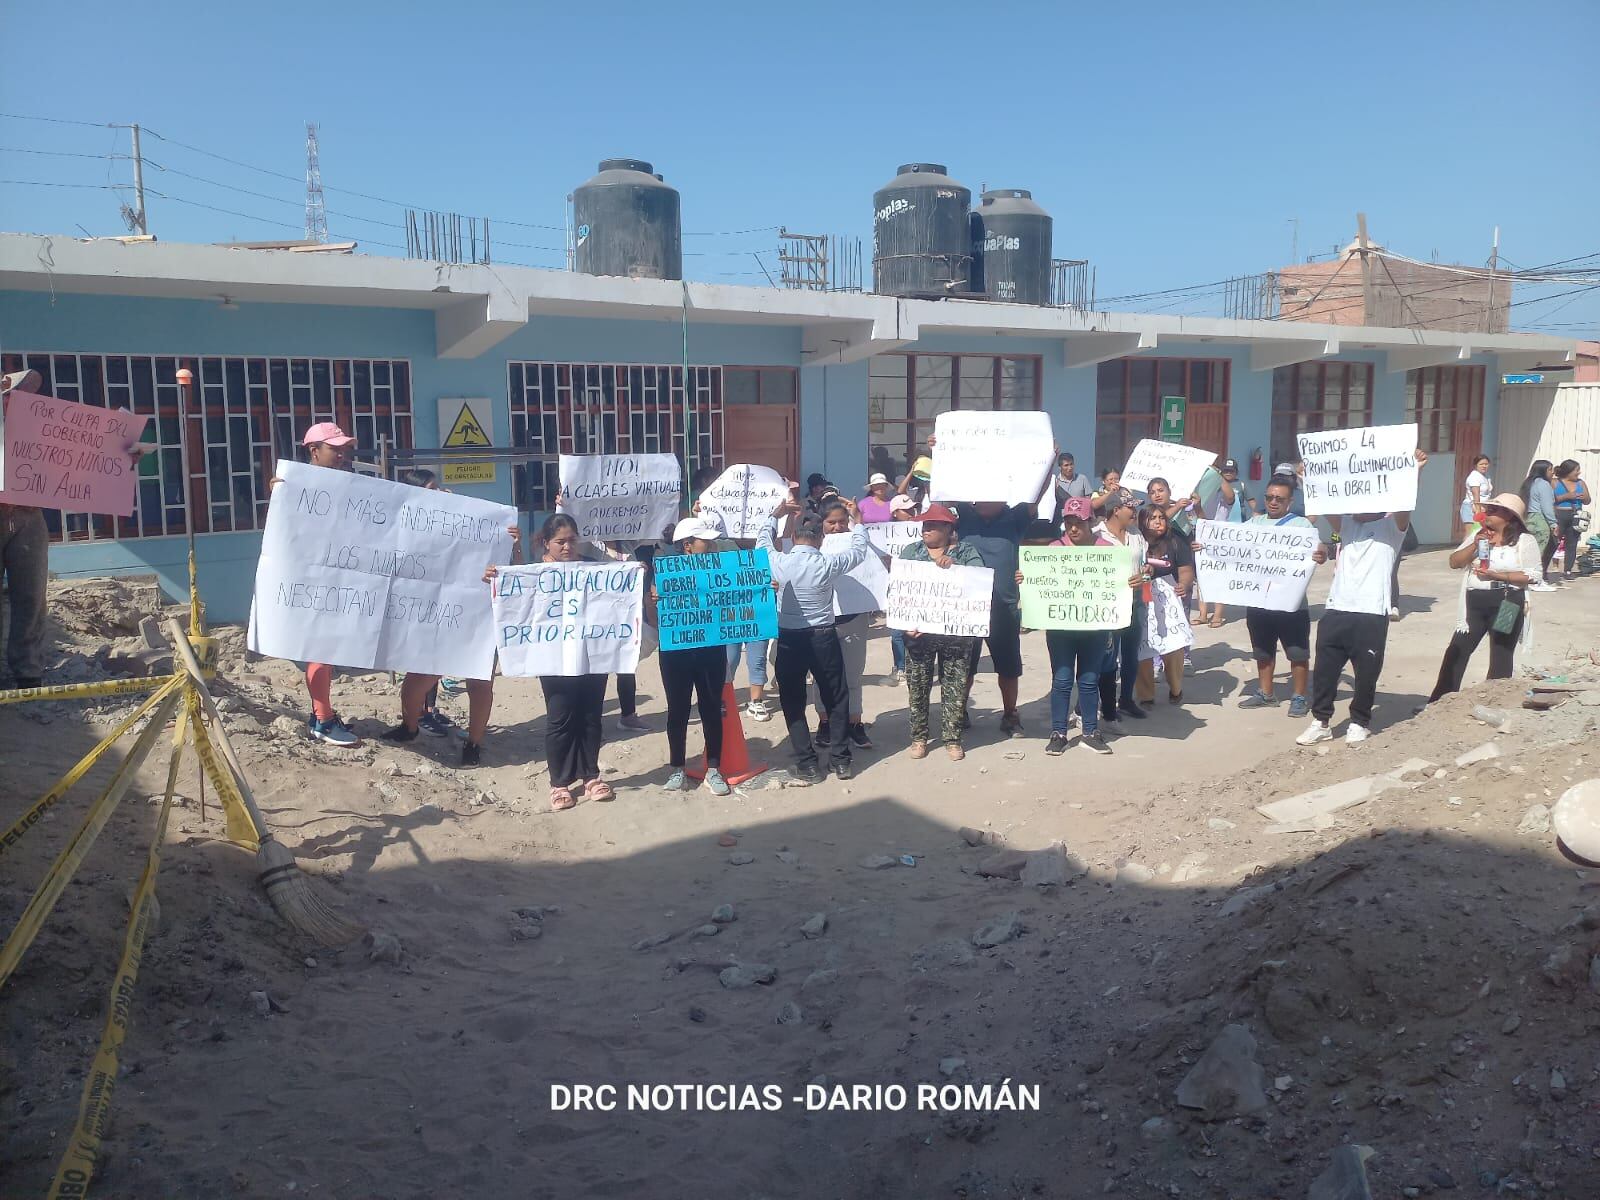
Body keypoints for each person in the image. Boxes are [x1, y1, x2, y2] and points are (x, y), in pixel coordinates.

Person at [382, 471, 521, 761]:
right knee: (417, 680)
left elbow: (511, 568)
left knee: (479, 682)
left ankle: (474, 743)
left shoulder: (471, 520)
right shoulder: (406, 526)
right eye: (433, 489)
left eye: (441, 487)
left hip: (478, 614)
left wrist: (512, 545)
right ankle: (409, 727)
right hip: (434, 615)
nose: (443, 492)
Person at [1296, 449, 1428, 746]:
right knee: (1327, 669)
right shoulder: (1347, 527)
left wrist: (1414, 471)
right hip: (1337, 608)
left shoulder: (1392, 528)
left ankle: (1359, 721)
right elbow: (1324, 501)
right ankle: (1321, 721)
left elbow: (1405, 502)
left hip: (1371, 612)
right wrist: (1309, 478)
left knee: (1366, 672)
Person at [758, 496, 869, 783]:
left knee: (793, 700)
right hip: (823, 638)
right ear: (821, 539)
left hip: (789, 640)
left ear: (794, 538)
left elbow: (762, 542)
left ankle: (808, 764)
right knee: (836, 696)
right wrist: (856, 519)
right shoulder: (828, 563)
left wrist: (775, 515)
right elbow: (858, 550)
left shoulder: (779, 563)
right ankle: (841, 761)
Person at [269, 423, 363, 747]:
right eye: (335, 449)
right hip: (311, 580)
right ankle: (323, 720)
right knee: (319, 647)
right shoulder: (294, 486)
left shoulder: (346, 486)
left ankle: (322, 713)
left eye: (344, 449)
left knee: (327, 646)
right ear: (314, 452)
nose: (342, 455)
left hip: (337, 577)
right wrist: (280, 494)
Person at [1428, 493, 1541, 701]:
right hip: (1475, 602)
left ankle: (1494, 701)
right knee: (1457, 650)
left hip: (1507, 601)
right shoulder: (1478, 534)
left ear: (1509, 516)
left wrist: (1496, 575)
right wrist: (1474, 544)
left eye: (1493, 510)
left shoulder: (1524, 541)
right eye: (1487, 509)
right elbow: (1454, 562)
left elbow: (1533, 576)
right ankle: (1439, 701)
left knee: (1501, 653)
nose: (1487, 513)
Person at [1019, 512, 1114, 756]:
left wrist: (1135, 579)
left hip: (1094, 627)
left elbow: (1121, 579)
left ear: (1090, 523)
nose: (1073, 528)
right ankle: (1058, 733)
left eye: (1079, 523)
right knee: (1061, 680)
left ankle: (1090, 732)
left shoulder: (1107, 549)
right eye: (1069, 524)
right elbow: (1039, 580)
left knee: (1089, 680)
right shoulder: (1054, 548)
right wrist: (1025, 577)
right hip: (1061, 629)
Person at [536, 514, 614, 810]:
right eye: (560, 542)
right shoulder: (533, 574)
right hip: (553, 656)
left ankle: (591, 776)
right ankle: (559, 784)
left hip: (593, 652)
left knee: (591, 714)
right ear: (546, 543)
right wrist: (494, 577)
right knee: (560, 717)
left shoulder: (593, 569)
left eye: (571, 540)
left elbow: (617, 591)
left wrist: (635, 573)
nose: (567, 547)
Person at [652, 516, 732, 795]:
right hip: (676, 651)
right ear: (688, 546)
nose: (710, 545)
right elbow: (652, 619)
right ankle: (677, 769)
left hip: (711, 648)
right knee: (678, 710)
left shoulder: (722, 568)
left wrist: (763, 589)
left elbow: (740, 596)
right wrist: (654, 601)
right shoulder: (663, 575)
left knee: (711, 708)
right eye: (704, 541)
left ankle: (714, 768)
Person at [1234, 475, 1327, 717]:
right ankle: (1266, 693)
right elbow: (1228, 540)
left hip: (1291, 603)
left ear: (1290, 501)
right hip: (1259, 602)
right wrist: (1204, 544)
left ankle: (1299, 697)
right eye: (1269, 497)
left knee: (1297, 653)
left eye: (1279, 498)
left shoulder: (1302, 526)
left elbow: (1320, 547)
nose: (1273, 502)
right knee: (1262, 651)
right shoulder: (1254, 525)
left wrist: (1322, 553)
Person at [897, 503, 982, 760]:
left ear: (948, 529)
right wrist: (905, 625)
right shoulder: (911, 552)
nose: (926, 530)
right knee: (918, 687)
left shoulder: (967, 551)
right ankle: (919, 738)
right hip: (919, 634)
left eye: (932, 525)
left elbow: (979, 579)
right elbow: (899, 590)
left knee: (954, 686)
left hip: (956, 634)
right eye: (924, 525)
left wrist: (956, 566)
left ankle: (952, 739)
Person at [956, 499, 1033, 737]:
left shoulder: (1016, 516)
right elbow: (944, 487)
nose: (979, 500)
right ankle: (959, 712)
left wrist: (1048, 462)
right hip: (968, 606)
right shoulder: (965, 513)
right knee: (964, 665)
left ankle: (1010, 714)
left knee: (1009, 667)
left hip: (1004, 607)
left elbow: (1036, 493)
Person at [0, 369, 51, 689]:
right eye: (13, 389)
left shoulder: (39, 426)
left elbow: (74, 457)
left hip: (29, 514)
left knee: (31, 594)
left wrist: (117, 448)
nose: (20, 394)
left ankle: (27, 668)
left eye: (24, 389)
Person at [810, 500, 873, 750]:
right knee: (822, 676)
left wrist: (858, 519)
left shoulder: (861, 543)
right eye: (831, 522)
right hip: (822, 621)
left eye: (842, 521)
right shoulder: (812, 548)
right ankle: (825, 722)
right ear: (821, 524)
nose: (837, 527)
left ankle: (854, 723)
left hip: (854, 618)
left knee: (853, 675)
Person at [1094, 489, 1147, 726]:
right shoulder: (1097, 534)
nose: (1135, 512)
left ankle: (1126, 698)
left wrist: (1146, 574)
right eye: (1130, 508)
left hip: (1136, 600)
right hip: (1109, 602)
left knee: (1131, 653)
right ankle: (1105, 703)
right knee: (1108, 655)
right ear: (1116, 510)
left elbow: (1146, 564)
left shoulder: (1136, 535)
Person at [1135, 505, 1195, 704]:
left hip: (1168, 603)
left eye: (1161, 517)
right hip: (1142, 598)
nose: (1158, 521)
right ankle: (1146, 696)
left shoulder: (1176, 542)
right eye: (1152, 518)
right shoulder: (1136, 542)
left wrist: (1183, 584)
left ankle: (1176, 689)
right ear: (1142, 521)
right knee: (1143, 648)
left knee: (1174, 648)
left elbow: (1186, 570)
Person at [1197, 459, 1252, 628]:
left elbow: (1230, 497)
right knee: (1202, 575)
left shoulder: (1225, 493)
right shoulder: (1202, 492)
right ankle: (1203, 614)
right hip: (1201, 535)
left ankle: (1218, 614)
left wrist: (1217, 475)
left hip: (1220, 538)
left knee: (1219, 575)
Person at [886, 494, 919, 683]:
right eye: (906, 510)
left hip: (917, 585)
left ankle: (915, 665)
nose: (911, 513)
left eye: (912, 509)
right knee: (897, 630)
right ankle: (900, 667)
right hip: (895, 585)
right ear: (895, 513)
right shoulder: (885, 534)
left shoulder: (922, 530)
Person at [1520, 459, 1559, 585]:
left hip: (1529, 519)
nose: (1552, 473)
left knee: (1530, 551)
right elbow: (1547, 507)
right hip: (1540, 520)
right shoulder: (1544, 484)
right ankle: (1536, 578)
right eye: (1550, 469)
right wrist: (1553, 524)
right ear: (1544, 470)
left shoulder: (1529, 483)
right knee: (1539, 552)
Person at [1552, 459, 1590, 581]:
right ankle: (1543, 569)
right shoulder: (1555, 483)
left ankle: (1568, 570)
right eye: (1576, 470)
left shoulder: (1581, 483)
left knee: (1572, 544)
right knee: (1553, 542)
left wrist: (1585, 497)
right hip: (1559, 514)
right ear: (1568, 471)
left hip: (1575, 515)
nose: (1579, 473)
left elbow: (1588, 501)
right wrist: (1566, 496)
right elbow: (1549, 500)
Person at [1049, 452, 1093, 530]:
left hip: (1080, 521)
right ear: (1060, 467)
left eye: (1071, 464)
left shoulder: (1082, 479)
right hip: (1062, 521)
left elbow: (1088, 501)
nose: (1069, 468)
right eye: (1066, 465)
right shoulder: (1054, 483)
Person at [1461, 454, 1493, 527]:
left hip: (1483, 508)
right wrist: (1478, 512)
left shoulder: (1486, 476)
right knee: (1470, 533)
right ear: (1476, 465)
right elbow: (1476, 494)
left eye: (1486, 464)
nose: (1484, 466)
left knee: (1480, 533)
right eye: (1481, 464)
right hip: (1472, 507)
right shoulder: (1474, 477)